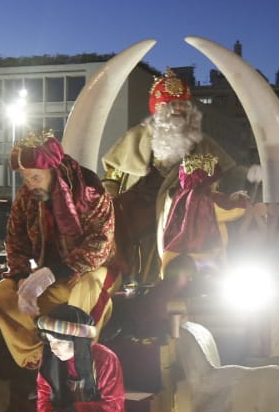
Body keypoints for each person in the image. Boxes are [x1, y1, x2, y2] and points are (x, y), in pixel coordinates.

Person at [100, 69, 248, 285]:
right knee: (124, 223)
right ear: (160, 109)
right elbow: (112, 177)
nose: (179, 109)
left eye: (183, 105)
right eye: (173, 105)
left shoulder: (201, 142)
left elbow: (228, 172)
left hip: (185, 209)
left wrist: (248, 174)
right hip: (140, 205)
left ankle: (184, 284)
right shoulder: (136, 137)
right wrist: (109, 199)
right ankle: (131, 281)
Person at [0, 134, 116, 369]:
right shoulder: (28, 197)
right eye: (26, 179)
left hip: (88, 272)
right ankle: (39, 356)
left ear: (54, 170)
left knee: (85, 291)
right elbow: (15, 241)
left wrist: (52, 273)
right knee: (1, 294)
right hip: (49, 279)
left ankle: (80, 362)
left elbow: (100, 243)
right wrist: (21, 279)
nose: (30, 185)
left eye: (36, 177)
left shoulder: (90, 191)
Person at [35, 305, 132, 412]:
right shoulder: (50, 360)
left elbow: (113, 406)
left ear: (77, 341)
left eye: (59, 342)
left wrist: (76, 411)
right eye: (50, 341)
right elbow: (44, 395)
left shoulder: (105, 359)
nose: (53, 348)